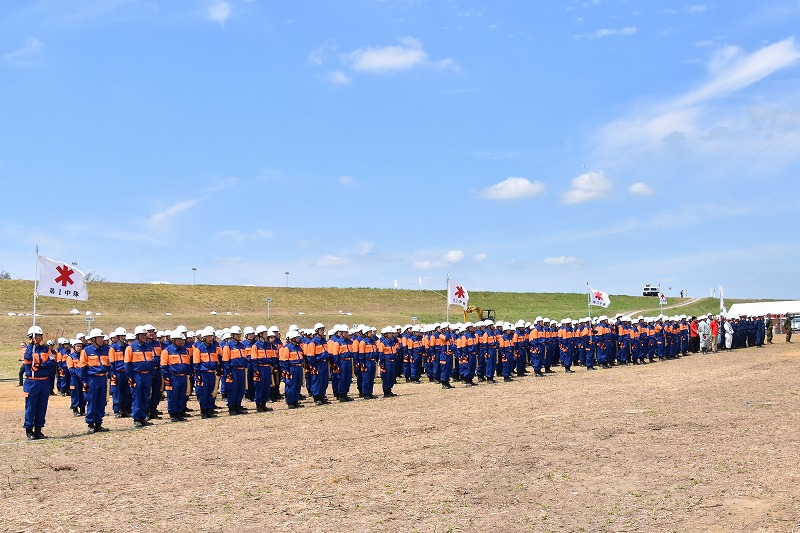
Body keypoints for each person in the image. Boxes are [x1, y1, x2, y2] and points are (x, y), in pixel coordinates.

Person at [22, 325, 56, 440]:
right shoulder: (27, 349)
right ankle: (29, 430)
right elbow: (27, 359)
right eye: (36, 336)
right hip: (32, 382)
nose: (39, 338)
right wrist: (31, 345)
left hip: (44, 382)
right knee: (31, 407)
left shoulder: (46, 349)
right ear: (31, 337)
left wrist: (41, 365)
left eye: (40, 336)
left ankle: (38, 430)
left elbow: (52, 362)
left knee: (42, 406)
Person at [79, 328, 111, 434]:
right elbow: (82, 367)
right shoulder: (86, 351)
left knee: (102, 401)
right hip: (92, 379)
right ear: (93, 339)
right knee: (92, 401)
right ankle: (91, 424)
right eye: (99, 338)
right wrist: (84, 381)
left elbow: (109, 365)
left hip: (103, 378)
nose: (102, 340)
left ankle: (98, 423)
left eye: (102, 338)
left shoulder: (106, 350)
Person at [124, 325, 155, 428]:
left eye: (144, 335)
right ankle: (137, 418)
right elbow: (127, 364)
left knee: (145, 397)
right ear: (137, 336)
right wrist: (130, 378)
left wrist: (151, 374)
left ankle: (143, 417)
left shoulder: (148, 347)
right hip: (137, 375)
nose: (144, 337)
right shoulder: (131, 348)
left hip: (147, 375)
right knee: (137, 397)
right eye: (141, 335)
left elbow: (151, 362)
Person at [161, 330, 192, 422]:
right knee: (173, 396)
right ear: (173, 340)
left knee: (181, 396)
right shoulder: (167, 351)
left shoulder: (185, 350)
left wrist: (189, 374)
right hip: (172, 377)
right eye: (179, 340)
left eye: (182, 340)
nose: (181, 342)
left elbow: (188, 364)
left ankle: (179, 413)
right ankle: (173, 414)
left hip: (183, 376)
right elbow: (163, 366)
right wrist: (167, 378)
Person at [221, 326, 249, 415]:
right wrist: (228, 372)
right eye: (237, 334)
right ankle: (231, 407)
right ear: (232, 335)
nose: (239, 336)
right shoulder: (228, 346)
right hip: (233, 370)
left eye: (239, 334)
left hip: (241, 370)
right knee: (232, 389)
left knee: (240, 389)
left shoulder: (242, 346)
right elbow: (225, 360)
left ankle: (238, 405)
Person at [279, 330, 305, 408]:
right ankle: (290, 402)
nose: (298, 338)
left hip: (298, 367)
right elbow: (284, 360)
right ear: (292, 338)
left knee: (297, 384)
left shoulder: (298, 347)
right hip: (291, 368)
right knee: (291, 385)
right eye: (297, 337)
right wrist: (286, 371)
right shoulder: (287, 348)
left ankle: (295, 400)